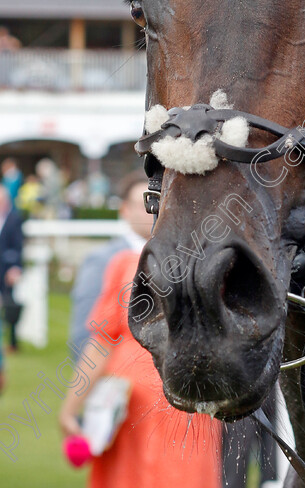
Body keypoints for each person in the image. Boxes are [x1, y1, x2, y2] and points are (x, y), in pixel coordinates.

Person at [59, 184, 221, 487]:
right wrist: (72, 405)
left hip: (182, 402)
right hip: (125, 406)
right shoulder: (122, 264)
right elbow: (101, 342)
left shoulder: (204, 264)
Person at [69, 171, 150, 354]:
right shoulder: (102, 259)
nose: (152, 211)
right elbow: (85, 331)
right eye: (144, 204)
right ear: (125, 210)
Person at [0, 184, 23, 366]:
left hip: (7, 269)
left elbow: (18, 246)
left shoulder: (14, 219)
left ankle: (13, 342)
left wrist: (15, 267)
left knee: (10, 304)